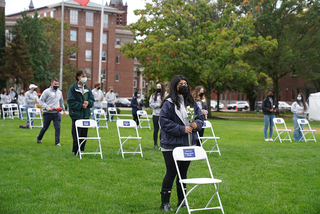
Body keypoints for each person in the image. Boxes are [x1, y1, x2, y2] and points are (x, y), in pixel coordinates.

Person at [159, 75, 204, 211]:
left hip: (187, 143)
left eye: (185, 83)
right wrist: (181, 129)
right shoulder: (168, 103)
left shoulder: (191, 102)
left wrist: (197, 124)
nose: (183, 86)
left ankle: (182, 201)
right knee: (171, 172)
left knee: (183, 174)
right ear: (174, 86)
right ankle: (165, 203)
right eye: (180, 84)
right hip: (171, 144)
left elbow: (200, 117)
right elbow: (164, 122)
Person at [67, 70, 94, 155]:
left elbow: (92, 99)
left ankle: (81, 149)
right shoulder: (73, 88)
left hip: (85, 114)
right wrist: (80, 105)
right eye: (83, 76)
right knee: (76, 133)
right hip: (76, 114)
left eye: (85, 76)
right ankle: (76, 150)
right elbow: (70, 101)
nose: (85, 78)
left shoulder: (87, 88)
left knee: (84, 133)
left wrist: (88, 103)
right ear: (78, 77)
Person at [37, 78, 66, 146]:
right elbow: (40, 101)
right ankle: (39, 137)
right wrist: (47, 107)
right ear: (51, 84)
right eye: (55, 84)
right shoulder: (46, 91)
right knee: (45, 127)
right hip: (47, 113)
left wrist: (64, 109)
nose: (57, 85)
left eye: (57, 84)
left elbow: (61, 102)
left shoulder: (59, 92)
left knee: (58, 127)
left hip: (56, 113)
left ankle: (57, 142)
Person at [149, 82, 165, 149]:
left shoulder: (165, 95)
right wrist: (157, 105)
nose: (158, 88)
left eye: (159, 87)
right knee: (156, 129)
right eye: (157, 86)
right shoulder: (153, 95)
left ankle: (162, 143)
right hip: (155, 114)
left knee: (163, 130)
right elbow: (151, 104)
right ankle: (155, 144)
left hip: (163, 115)